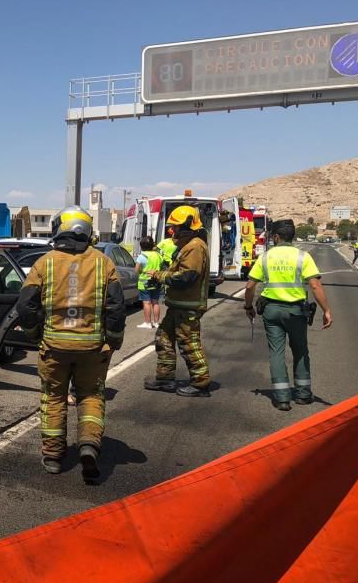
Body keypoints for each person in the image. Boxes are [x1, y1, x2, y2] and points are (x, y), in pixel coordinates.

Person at [15, 206, 125, 481]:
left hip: (54, 346)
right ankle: (88, 445)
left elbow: (26, 305)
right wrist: (113, 341)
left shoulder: (45, 262)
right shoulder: (104, 262)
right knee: (90, 397)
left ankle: (53, 456)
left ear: (61, 228)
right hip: (92, 348)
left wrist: (33, 334)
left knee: (53, 398)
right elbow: (116, 307)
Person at [244, 219, 332, 411]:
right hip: (296, 312)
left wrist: (248, 306)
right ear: (292, 236)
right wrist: (326, 310)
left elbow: (250, 285)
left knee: (276, 352)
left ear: (275, 236)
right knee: (300, 351)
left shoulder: (266, 257)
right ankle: (303, 394)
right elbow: (315, 285)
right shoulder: (303, 257)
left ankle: (282, 398)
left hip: (271, 310)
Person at [144, 205, 212, 397]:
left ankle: (201, 383)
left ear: (186, 226)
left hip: (188, 306)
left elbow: (186, 277)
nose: (170, 231)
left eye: (174, 227)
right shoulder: (186, 246)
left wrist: (161, 276)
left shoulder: (195, 246)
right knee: (163, 339)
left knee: (189, 343)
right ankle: (165, 379)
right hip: (177, 305)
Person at [135, 236, 164, 329]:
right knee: (155, 302)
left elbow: (137, 270)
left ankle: (147, 322)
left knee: (146, 303)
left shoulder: (142, 256)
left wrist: (141, 272)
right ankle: (156, 322)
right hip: (157, 281)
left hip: (145, 283)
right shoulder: (158, 255)